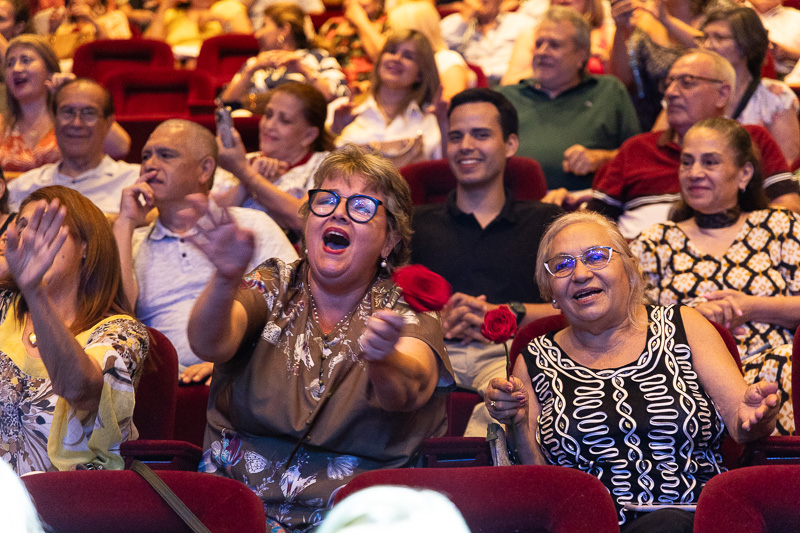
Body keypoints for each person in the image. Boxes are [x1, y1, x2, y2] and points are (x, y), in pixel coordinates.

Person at [187, 145, 453, 531]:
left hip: (356, 517)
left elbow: (409, 389)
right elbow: (209, 344)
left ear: (390, 239)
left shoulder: (404, 306)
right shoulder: (275, 282)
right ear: (308, 219)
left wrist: (382, 358)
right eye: (325, 200)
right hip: (237, 509)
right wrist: (225, 278)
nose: (339, 212)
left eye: (361, 206)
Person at [486, 209, 781, 531]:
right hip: (590, 523)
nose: (581, 273)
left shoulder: (685, 325)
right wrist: (517, 424)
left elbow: (743, 427)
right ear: (550, 294)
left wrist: (757, 416)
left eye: (596, 256)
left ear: (630, 270)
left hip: (690, 517)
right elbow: (538, 480)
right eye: (562, 265)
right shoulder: (535, 358)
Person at [630, 117, 798, 435]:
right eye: (687, 162)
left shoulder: (780, 227)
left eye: (710, 162)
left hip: (774, 367)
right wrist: (688, 321)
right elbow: (629, 323)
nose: (694, 173)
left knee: (786, 362)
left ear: (745, 173)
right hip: (690, 379)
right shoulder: (654, 241)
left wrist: (750, 306)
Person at [411, 88, 561, 436]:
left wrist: (505, 312)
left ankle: (486, 483)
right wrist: (433, 321)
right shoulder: (414, 222)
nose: (466, 146)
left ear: (510, 144)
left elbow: (570, 307)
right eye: (456, 136)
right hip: (429, 348)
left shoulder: (546, 222)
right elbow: (378, 301)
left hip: (506, 351)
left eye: (480, 134)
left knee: (508, 403)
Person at [114, 119, 297, 382]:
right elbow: (118, 318)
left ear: (205, 169)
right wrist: (125, 222)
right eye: (146, 156)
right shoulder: (130, 241)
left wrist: (232, 360)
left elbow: (295, 304)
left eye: (166, 155)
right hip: (164, 388)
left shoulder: (249, 225)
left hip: (247, 376)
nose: (150, 165)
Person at [0, 185, 149, 474]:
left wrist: (35, 291)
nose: (32, 240)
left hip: (70, 506)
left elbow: (79, 390)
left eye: (46, 228)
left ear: (85, 246)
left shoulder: (123, 332)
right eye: (23, 228)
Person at [589, 50, 800, 239]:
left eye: (687, 82)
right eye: (668, 82)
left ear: (723, 94)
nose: (670, 92)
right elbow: (593, 222)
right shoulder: (636, 148)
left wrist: (738, 247)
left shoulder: (751, 139)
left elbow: (789, 207)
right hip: (638, 262)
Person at [497, 6, 640, 201]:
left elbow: (639, 158)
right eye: (538, 44)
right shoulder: (507, 97)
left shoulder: (609, 91)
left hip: (584, 206)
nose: (542, 52)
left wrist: (601, 158)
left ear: (581, 56)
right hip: (512, 206)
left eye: (554, 45)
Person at [0, 36, 130, 176]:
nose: (16, 69)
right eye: (10, 64)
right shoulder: (1, 124)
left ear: (50, 70)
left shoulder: (73, 119)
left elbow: (121, 147)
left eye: (26, 60)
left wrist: (76, 95)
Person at [214, 81, 333, 233]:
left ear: (309, 136)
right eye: (268, 115)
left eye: (284, 121)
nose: (269, 125)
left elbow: (304, 219)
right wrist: (246, 182)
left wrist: (247, 175)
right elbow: (207, 218)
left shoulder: (324, 164)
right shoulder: (242, 160)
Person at [8, 78, 139, 215]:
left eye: (89, 113)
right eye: (67, 111)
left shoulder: (132, 181)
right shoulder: (23, 188)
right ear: (54, 120)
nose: (76, 123)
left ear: (108, 123)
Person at [695, 7, 799, 164]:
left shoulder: (775, 97)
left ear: (747, 45)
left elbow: (787, 163)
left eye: (719, 38)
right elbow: (659, 143)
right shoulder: (691, 92)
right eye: (705, 37)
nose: (708, 46)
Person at [331, 29, 442, 164]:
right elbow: (318, 167)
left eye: (408, 56)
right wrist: (335, 131)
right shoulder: (342, 109)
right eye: (391, 51)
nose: (396, 59)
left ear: (421, 74)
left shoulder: (430, 119)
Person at [608, 0, 717, 131]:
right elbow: (622, 80)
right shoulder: (641, 17)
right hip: (647, 122)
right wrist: (619, 29)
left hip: (703, 124)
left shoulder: (717, 13)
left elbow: (717, 54)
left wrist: (667, 21)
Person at [220, 2, 348, 106]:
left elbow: (337, 96)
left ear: (284, 30)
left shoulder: (318, 57)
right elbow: (225, 103)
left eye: (264, 25)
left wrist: (303, 70)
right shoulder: (254, 64)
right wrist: (249, 72)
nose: (258, 34)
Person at [502, 0, 614, 85]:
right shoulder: (531, 36)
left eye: (555, 44)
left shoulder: (608, 34)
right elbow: (508, 84)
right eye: (540, 44)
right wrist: (548, 67)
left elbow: (623, 83)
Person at [439, 0, 530, 86]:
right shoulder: (455, 23)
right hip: (472, 84)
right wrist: (466, 18)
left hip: (509, 83)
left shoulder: (521, 23)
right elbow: (442, 50)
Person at [144, 0, 252, 61]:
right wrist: (166, 5)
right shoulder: (172, 14)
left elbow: (247, 43)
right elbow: (152, 46)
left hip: (213, 62)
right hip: (175, 64)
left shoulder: (228, 7)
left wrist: (222, 21)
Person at [318, 0, 386, 92]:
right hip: (334, 89)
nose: (355, 3)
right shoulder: (332, 25)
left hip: (373, 89)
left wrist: (360, 21)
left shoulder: (388, 23)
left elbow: (383, 58)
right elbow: (319, 61)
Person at [45, 0, 131, 61]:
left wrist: (92, 21)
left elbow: (121, 51)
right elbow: (49, 57)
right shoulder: (65, 26)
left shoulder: (115, 17)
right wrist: (52, 30)